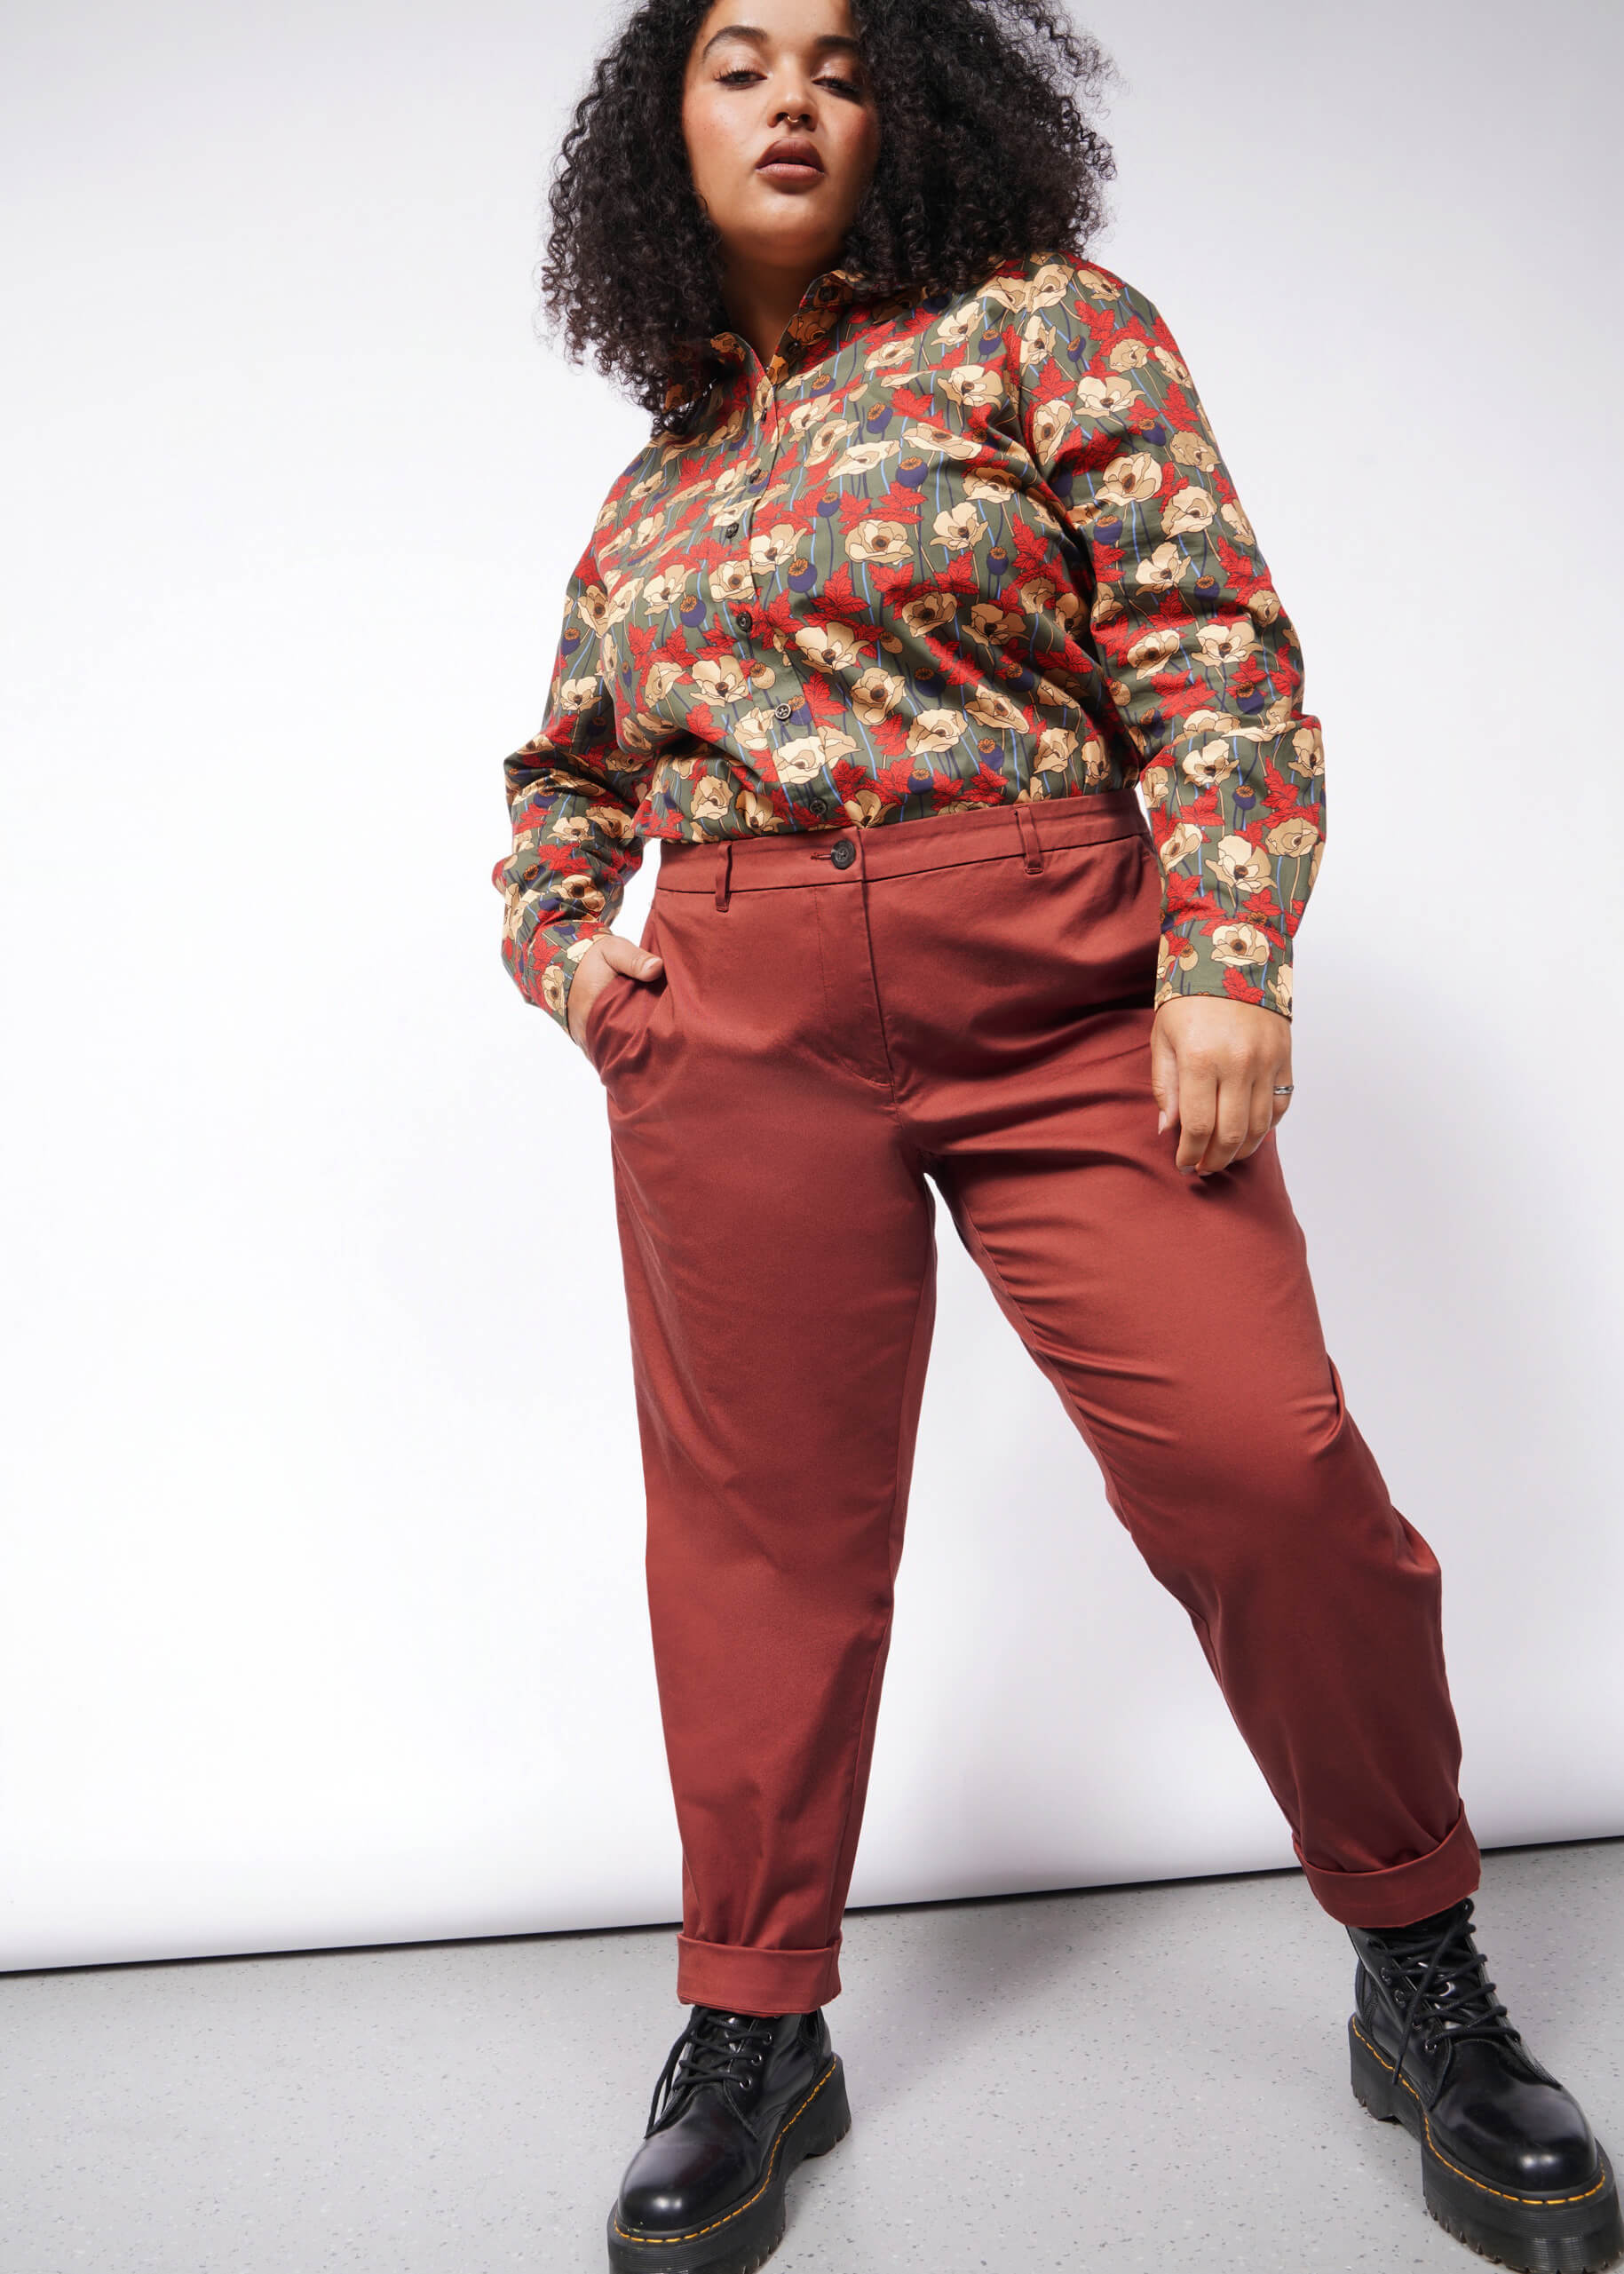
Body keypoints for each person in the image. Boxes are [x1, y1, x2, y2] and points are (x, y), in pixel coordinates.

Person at [492, 4, 1621, 2270]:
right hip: (739, 1035)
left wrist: (1226, 952)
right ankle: (753, 2019)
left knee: (1265, 1469)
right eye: (736, 59)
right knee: (760, 1545)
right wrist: (573, 956)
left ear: (917, 95)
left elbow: (1208, 641)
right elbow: (565, 783)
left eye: (834, 53)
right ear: (662, 129)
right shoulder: (658, 481)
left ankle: (1422, 1971)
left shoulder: (1048, 330)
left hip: (1069, 988)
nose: (790, 96)